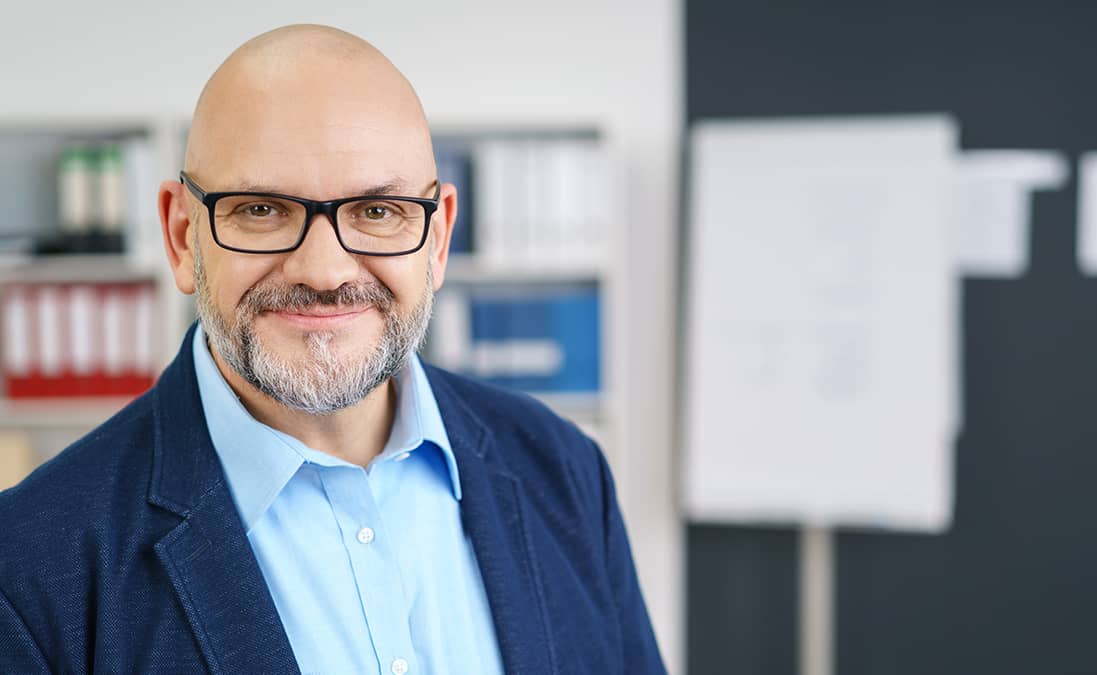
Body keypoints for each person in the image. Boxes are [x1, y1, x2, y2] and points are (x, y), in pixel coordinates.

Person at [0, 24, 665, 675]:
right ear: (182, 237)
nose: (323, 270)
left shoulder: (566, 474)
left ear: (437, 241)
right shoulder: (29, 565)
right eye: (261, 210)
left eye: (377, 213)